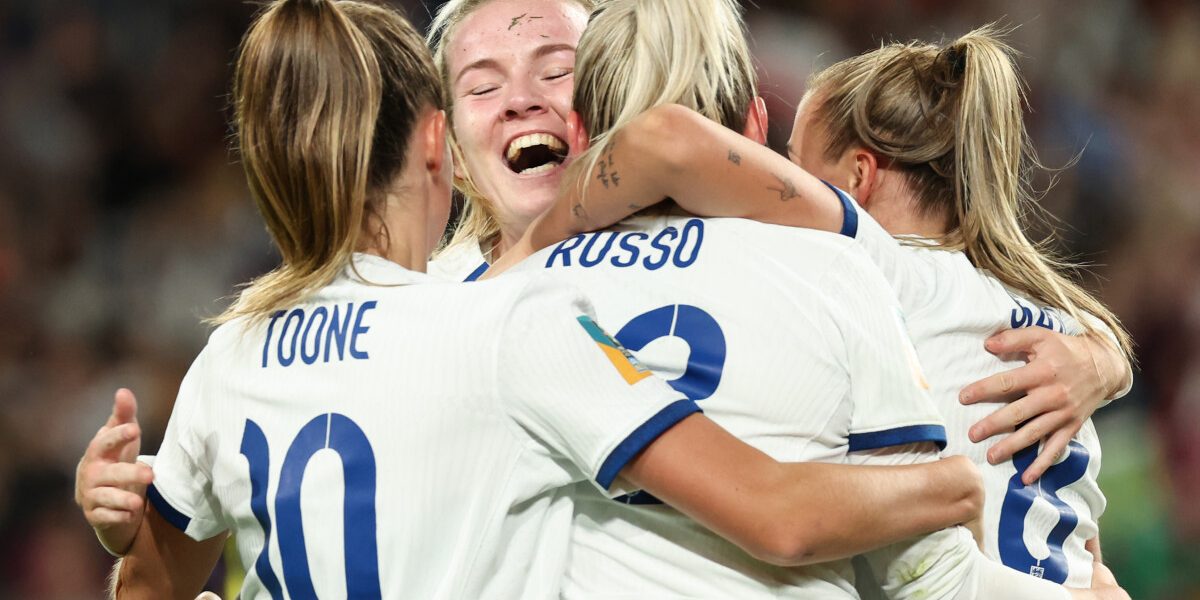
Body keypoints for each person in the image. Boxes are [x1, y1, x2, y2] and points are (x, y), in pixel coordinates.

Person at [94, 1, 989, 597]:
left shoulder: (233, 352)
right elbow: (783, 516)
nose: (519, 99)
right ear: (441, 138)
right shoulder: (502, 325)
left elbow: (151, 585)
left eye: (554, 67)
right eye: (481, 83)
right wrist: (953, 484)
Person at [513, 22, 1134, 591]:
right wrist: (1109, 362)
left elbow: (670, 141)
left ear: (858, 179)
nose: (776, 184)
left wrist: (527, 248)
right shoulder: (1061, 320)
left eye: (792, 166)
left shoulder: (878, 264)